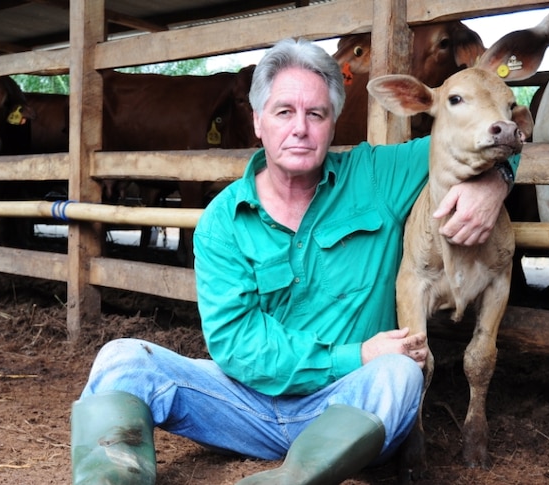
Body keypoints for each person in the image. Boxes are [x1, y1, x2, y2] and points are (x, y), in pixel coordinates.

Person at [70, 37, 516, 485]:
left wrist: (495, 184)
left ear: (333, 123)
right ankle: (113, 479)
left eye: (315, 113)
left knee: (400, 373)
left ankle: (291, 480)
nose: (300, 128)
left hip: (351, 404)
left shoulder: (377, 176)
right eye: (284, 112)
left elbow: (491, 135)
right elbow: (236, 344)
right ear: (258, 121)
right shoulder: (223, 220)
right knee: (122, 359)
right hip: (244, 404)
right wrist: (356, 354)